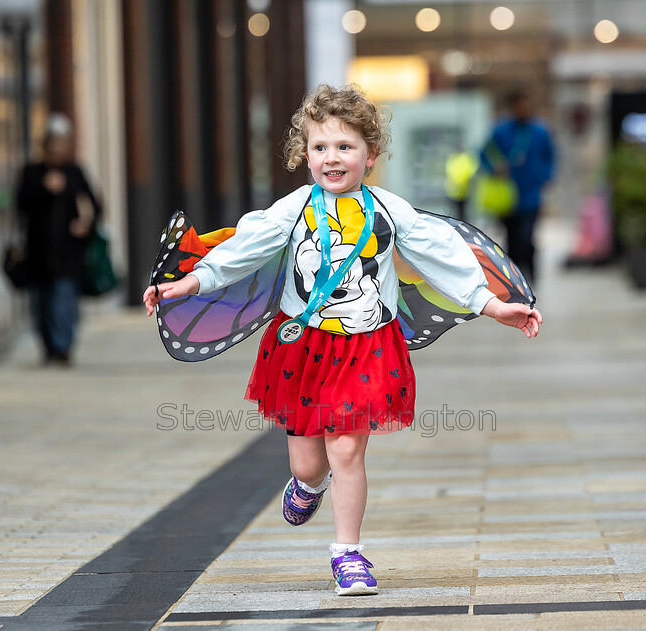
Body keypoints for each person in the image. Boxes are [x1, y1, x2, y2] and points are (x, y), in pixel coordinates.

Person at [142, 85, 542, 596]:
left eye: (346, 147)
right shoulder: (293, 209)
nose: (333, 158)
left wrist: (493, 305)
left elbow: (445, 260)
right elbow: (242, 251)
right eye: (320, 148)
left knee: (348, 449)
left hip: (368, 346)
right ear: (304, 156)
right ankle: (309, 484)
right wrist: (187, 284)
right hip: (303, 347)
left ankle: (347, 554)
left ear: (370, 156)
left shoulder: (391, 210)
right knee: (308, 462)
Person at [16, 113, 100, 366]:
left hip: (68, 252)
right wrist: (43, 188)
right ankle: (49, 346)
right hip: (38, 252)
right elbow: (20, 205)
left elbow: (95, 205)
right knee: (40, 305)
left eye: (62, 142)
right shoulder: (31, 172)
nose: (57, 147)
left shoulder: (75, 172)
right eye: (53, 141)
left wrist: (86, 225)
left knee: (63, 300)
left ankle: (63, 347)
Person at [480, 90, 555, 283]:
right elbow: (483, 154)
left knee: (527, 235)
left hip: (531, 194)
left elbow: (550, 157)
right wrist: (494, 168)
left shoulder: (540, 131)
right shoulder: (500, 131)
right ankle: (515, 276)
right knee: (511, 236)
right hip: (507, 195)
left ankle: (531, 273)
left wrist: (545, 177)